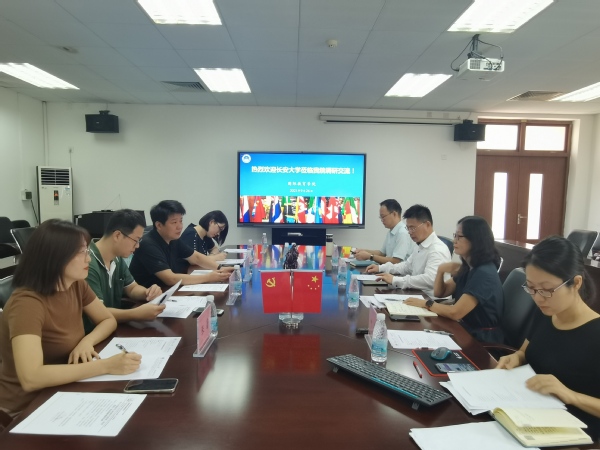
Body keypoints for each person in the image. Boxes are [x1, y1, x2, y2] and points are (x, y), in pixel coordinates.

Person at [0, 220, 141, 417]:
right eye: (82, 252)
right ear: (55, 257)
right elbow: (31, 378)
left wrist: (86, 342)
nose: (88, 259)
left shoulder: (75, 284)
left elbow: (107, 320)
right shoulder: (27, 304)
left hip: (63, 389)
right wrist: (106, 366)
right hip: (25, 408)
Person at [496, 236, 600, 440]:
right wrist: (516, 357)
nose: (537, 297)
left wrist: (571, 396)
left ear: (576, 283)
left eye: (547, 289)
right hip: (528, 415)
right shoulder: (546, 312)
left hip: (573, 433)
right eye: (531, 288)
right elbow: (524, 352)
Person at [404, 216, 504, 343]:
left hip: (481, 339)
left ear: (475, 240)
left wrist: (426, 304)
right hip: (465, 329)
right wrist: (441, 270)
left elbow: (455, 312)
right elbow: (440, 292)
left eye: (459, 237)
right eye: (454, 235)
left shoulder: (483, 273)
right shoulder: (469, 266)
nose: (454, 241)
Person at [84, 209, 166, 333]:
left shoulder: (117, 258)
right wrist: (135, 314)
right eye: (136, 240)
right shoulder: (87, 264)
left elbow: (132, 288)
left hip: (113, 329)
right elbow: (98, 313)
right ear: (117, 235)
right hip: (93, 333)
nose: (137, 246)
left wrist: (148, 293)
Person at [129, 200, 231, 289]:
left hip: (167, 291)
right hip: (145, 298)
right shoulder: (148, 244)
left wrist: (220, 268)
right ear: (159, 225)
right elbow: (170, 278)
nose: (180, 226)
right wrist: (208, 277)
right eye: (174, 222)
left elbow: (196, 257)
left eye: (181, 221)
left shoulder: (173, 239)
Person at [366, 204, 451, 298]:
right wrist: (381, 268)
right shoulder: (420, 245)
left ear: (427, 225)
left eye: (413, 228)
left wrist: (395, 280)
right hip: (417, 295)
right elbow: (406, 266)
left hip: (432, 300)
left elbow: (430, 280)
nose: (410, 232)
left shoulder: (437, 249)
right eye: (408, 228)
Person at [354, 199, 415, 264]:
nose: (382, 220)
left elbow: (395, 261)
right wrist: (364, 251)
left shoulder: (402, 233)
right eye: (380, 217)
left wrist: (370, 256)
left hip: (399, 270)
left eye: (383, 216)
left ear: (394, 214)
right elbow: (382, 253)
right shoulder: (391, 232)